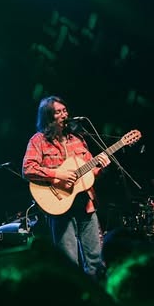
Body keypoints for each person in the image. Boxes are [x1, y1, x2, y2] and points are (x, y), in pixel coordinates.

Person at [22, 95, 107, 277]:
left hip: (85, 203)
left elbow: (90, 174)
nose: (64, 115)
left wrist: (101, 167)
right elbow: (28, 169)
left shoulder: (77, 139)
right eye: (58, 112)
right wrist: (57, 175)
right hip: (59, 205)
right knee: (69, 261)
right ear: (48, 117)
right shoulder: (38, 141)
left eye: (65, 110)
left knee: (96, 260)